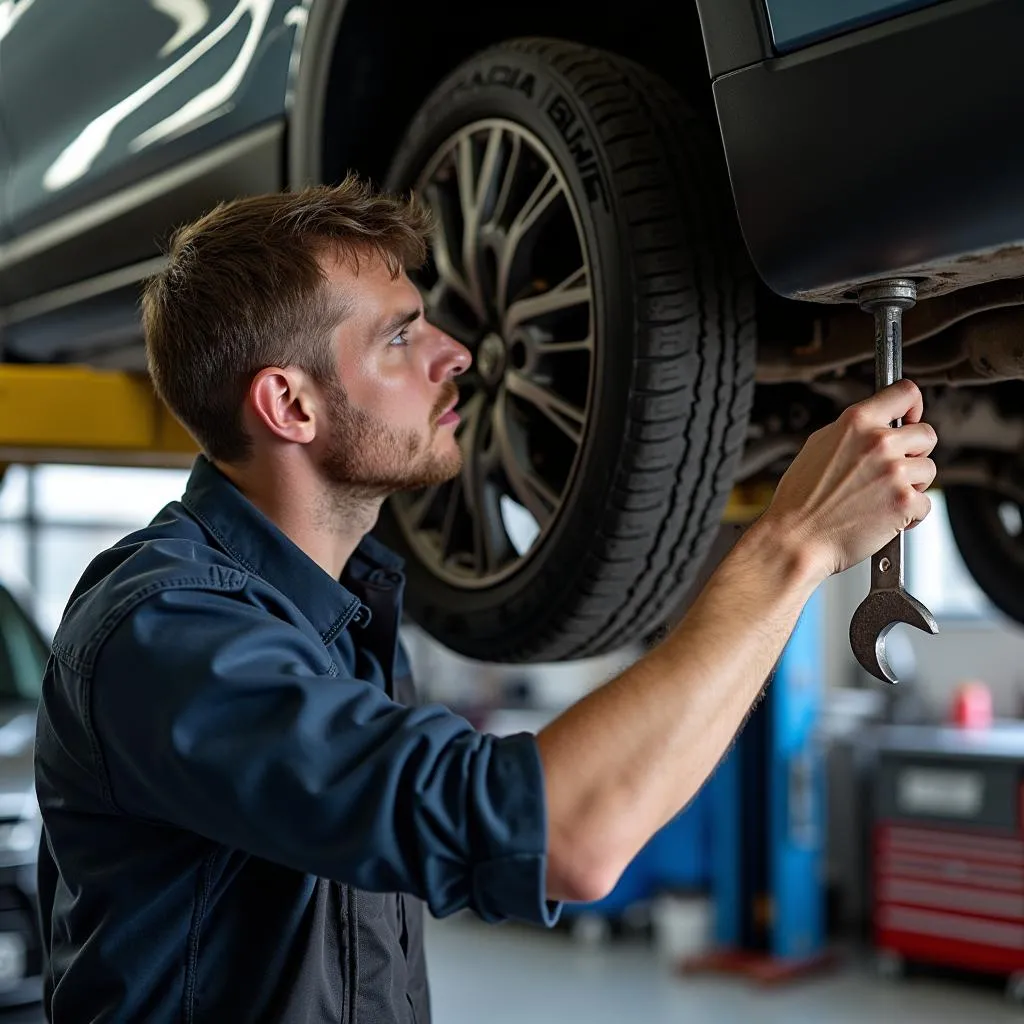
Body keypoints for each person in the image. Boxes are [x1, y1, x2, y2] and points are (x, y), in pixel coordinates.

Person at [33, 176, 937, 1023]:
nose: (456, 353)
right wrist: (793, 544)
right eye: (400, 335)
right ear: (289, 405)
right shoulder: (167, 631)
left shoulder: (334, 616)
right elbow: (568, 836)